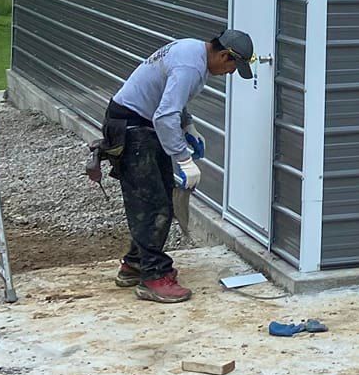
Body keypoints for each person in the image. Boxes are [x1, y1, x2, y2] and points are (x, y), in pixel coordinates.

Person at [102, 29, 254, 300]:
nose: (230, 72)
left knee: (158, 197)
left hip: (140, 123)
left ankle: (134, 265)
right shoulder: (190, 66)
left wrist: (188, 125)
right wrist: (183, 159)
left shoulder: (192, 51)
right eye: (232, 65)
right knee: (152, 203)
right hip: (133, 127)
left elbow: (169, 98)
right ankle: (153, 277)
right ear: (223, 54)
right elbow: (164, 115)